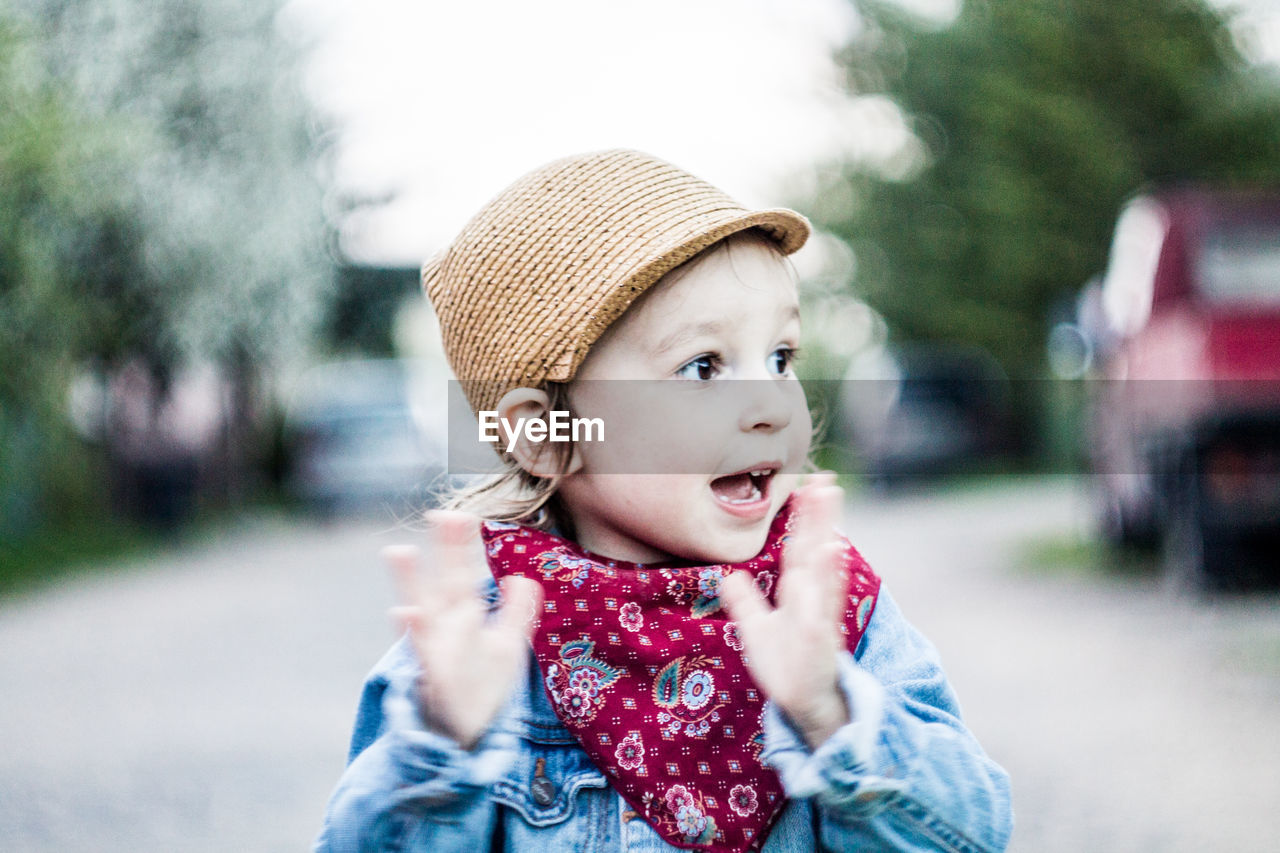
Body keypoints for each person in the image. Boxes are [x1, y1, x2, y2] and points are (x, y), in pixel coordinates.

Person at [313, 150, 1012, 852]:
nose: (770, 402)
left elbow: (972, 836)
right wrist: (441, 759)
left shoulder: (829, 611)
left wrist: (832, 716)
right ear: (548, 435)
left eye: (781, 357)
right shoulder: (478, 649)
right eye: (703, 367)